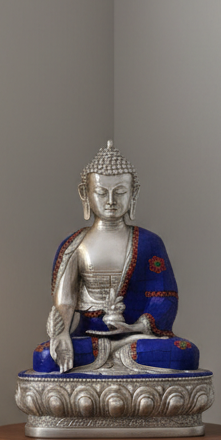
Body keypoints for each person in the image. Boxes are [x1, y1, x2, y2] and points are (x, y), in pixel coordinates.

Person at [32, 141, 200, 374]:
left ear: (133, 193)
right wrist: (60, 334)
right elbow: (65, 302)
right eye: (101, 192)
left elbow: (165, 298)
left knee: (184, 353)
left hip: (137, 337)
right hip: (88, 337)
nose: (111, 200)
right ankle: (114, 354)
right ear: (85, 193)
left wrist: (134, 327)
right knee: (44, 356)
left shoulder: (150, 243)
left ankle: (116, 352)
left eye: (120, 192)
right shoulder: (75, 246)